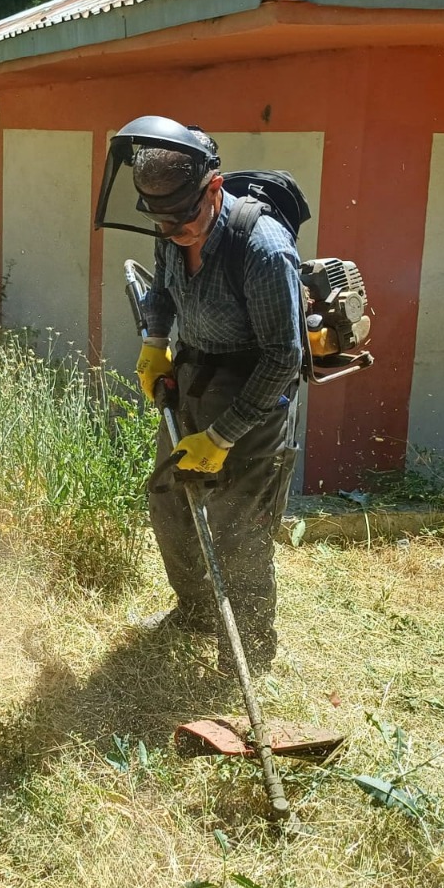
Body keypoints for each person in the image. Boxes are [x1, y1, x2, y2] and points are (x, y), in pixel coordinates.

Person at [130, 131, 304, 674]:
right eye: (162, 225)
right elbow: (161, 291)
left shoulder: (264, 248)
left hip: (255, 393)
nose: (173, 235)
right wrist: (156, 344)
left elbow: (284, 358)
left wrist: (223, 436)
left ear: (214, 190)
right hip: (191, 376)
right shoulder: (172, 226)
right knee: (171, 507)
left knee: (238, 532)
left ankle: (247, 653)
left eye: (183, 222)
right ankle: (196, 614)